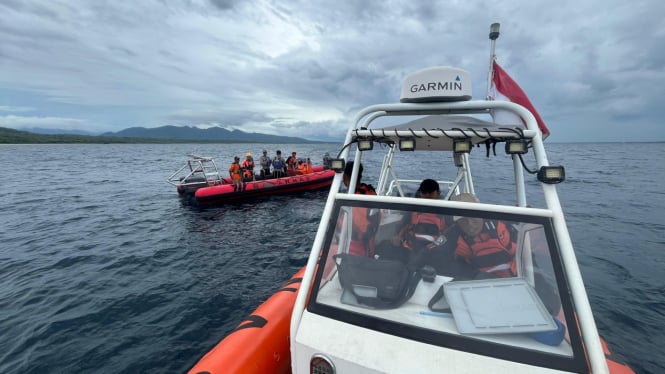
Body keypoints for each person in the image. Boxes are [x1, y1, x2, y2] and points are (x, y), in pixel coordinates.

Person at [342, 161, 378, 256]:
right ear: (360, 176)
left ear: (344, 177)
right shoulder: (369, 192)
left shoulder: (356, 200)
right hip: (369, 245)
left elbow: (362, 231)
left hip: (358, 251)